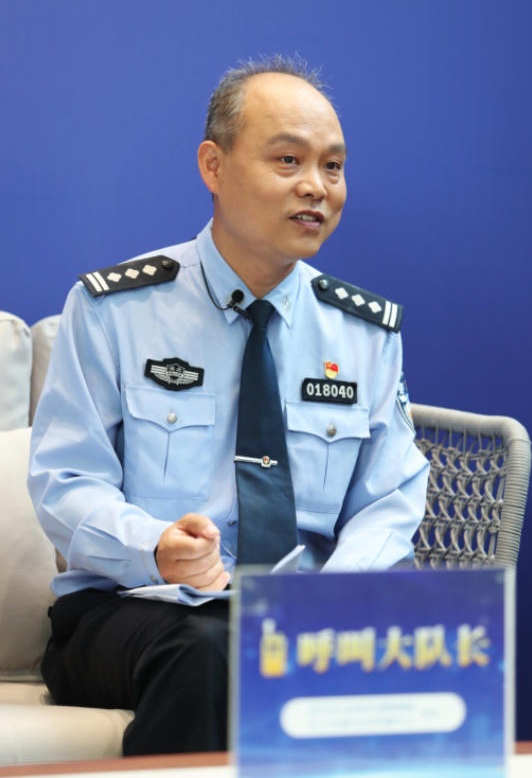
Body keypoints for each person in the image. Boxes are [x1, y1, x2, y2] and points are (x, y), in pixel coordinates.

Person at [29, 56, 429, 756]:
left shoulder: (363, 333)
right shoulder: (115, 310)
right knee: (212, 648)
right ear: (213, 166)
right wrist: (154, 547)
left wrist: (331, 599)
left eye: (333, 167)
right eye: (288, 160)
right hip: (135, 606)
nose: (316, 186)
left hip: (304, 615)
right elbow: (66, 480)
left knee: (425, 646)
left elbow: (390, 496)